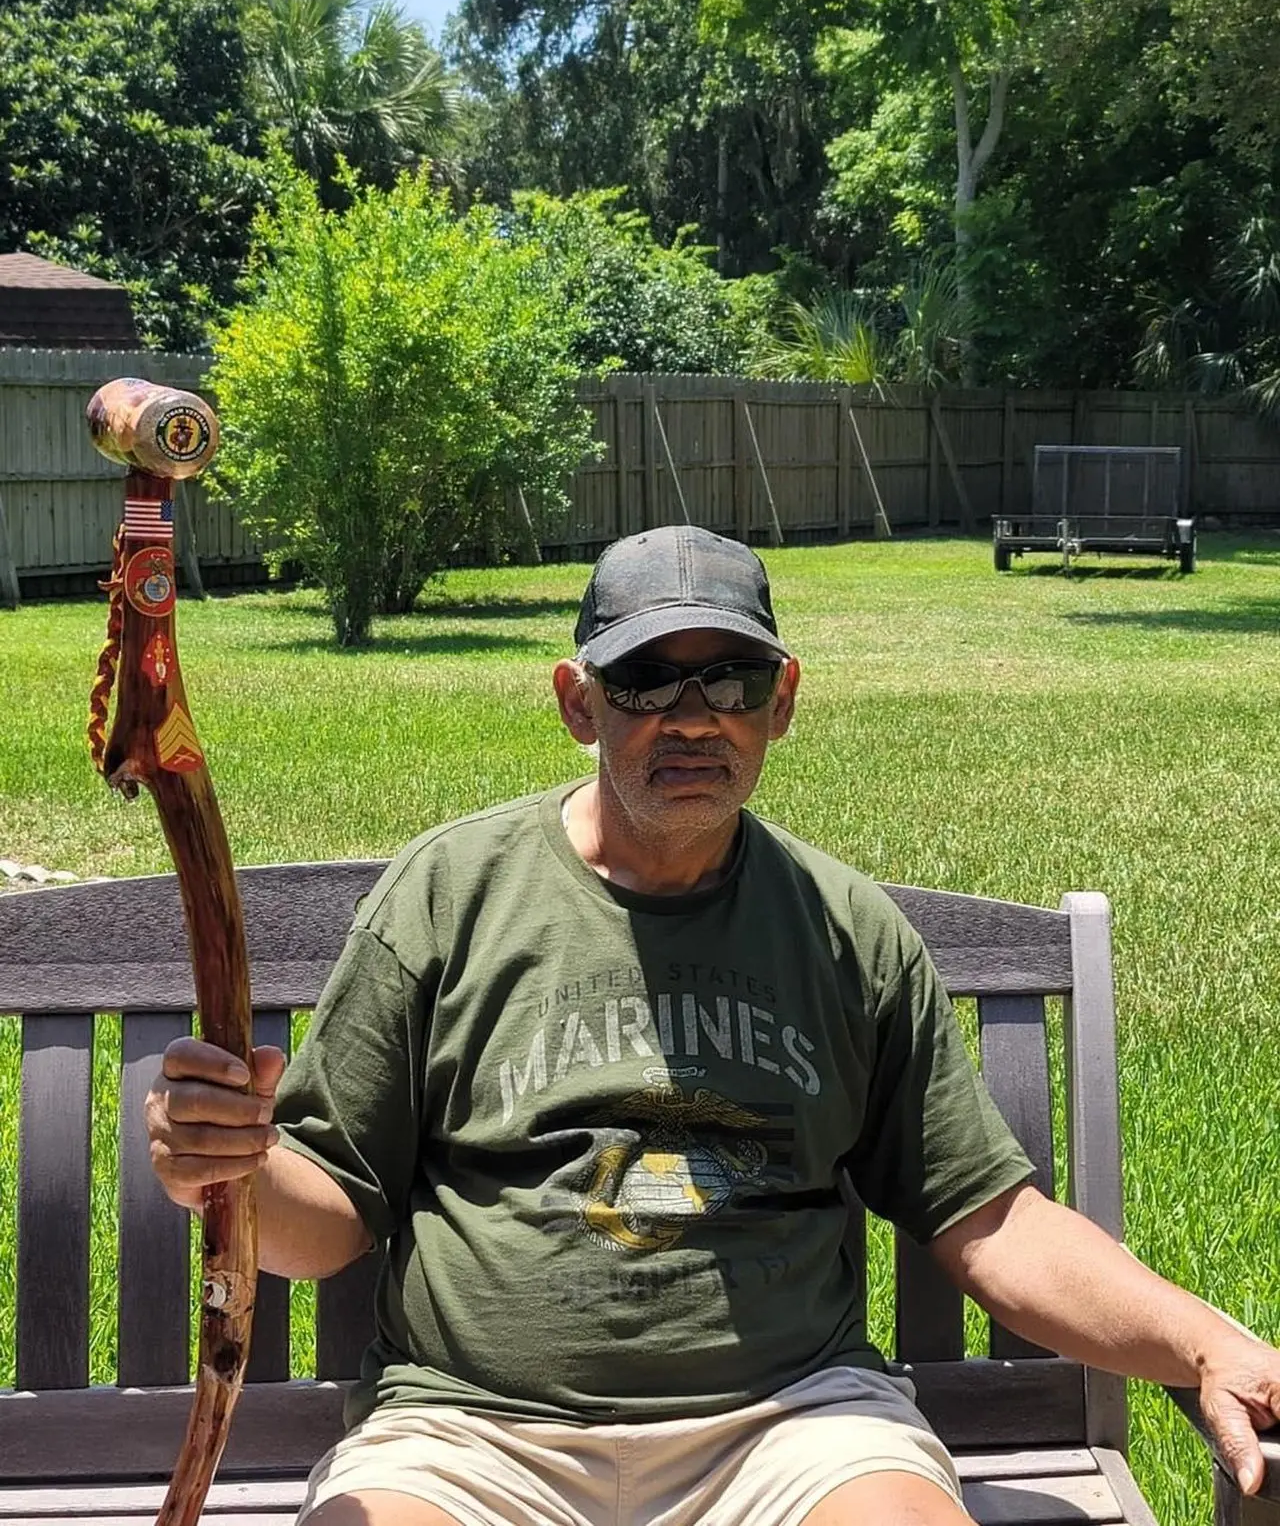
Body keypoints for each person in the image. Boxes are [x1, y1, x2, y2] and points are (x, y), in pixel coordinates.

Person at [147, 526, 1280, 1526]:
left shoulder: (845, 932)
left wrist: (1205, 1343)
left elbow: (987, 1220)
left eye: (728, 679)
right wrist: (232, 1169)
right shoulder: (449, 894)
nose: (691, 718)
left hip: (792, 1428)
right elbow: (329, 1217)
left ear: (780, 701)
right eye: (645, 680)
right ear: (575, 700)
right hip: (472, 1437)